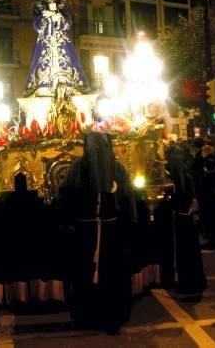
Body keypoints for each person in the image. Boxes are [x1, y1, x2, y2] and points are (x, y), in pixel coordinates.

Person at [59, 132, 137, 333]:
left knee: (100, 273)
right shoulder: (114, 168)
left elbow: (66, 196)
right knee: (95, 273)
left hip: (98, 231)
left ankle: (94, 315)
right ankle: (102, 315)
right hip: (96, 230)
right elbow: (128, 200)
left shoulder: (83, 168)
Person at [24, 0, 89, 97]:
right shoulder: (39, 6)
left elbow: (68, 22)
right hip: (45, 40)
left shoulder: (62, 4)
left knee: (67, 60)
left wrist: (58, 17)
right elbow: (36, 24)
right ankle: (43, 83)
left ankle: (67, 83)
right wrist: (48, 18)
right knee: (41, 61)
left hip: (60, 39)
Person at [166, 143, 207, 294]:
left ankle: (186, 282)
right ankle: (193, 281)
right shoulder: (187, 177)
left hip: (180, 219)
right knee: (191, 253)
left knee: (183, 254)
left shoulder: (175, 180)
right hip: (187, 220)